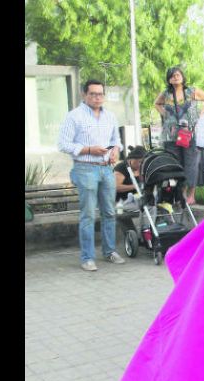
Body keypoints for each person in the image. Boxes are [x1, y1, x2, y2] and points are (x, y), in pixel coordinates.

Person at [58, 79, 126, 271]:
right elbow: (63, 144)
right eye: (93, 94)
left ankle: (109, 251)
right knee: (87, 214)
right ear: (84, 95)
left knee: (110, 212)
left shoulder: (110, 116)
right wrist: (88, 149)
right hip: (85, 167)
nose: (97, 98)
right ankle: (87, 257)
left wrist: (115, 151)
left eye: (100, 94)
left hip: (106, 168)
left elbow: (116, 140)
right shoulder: (74, 116)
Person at [154, 66, 204, 205]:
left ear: (182, 76)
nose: (176, 77)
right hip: (172, 135)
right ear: (169, 79)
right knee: (175, 164)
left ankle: (191, 195)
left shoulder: (191, 91)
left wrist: (200, 114)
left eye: (178, 74)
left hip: (188, 133)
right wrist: (166, 116)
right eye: (173, 75)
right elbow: (157, 104)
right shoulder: (166, 94)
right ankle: (180, 194)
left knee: (191, 164)